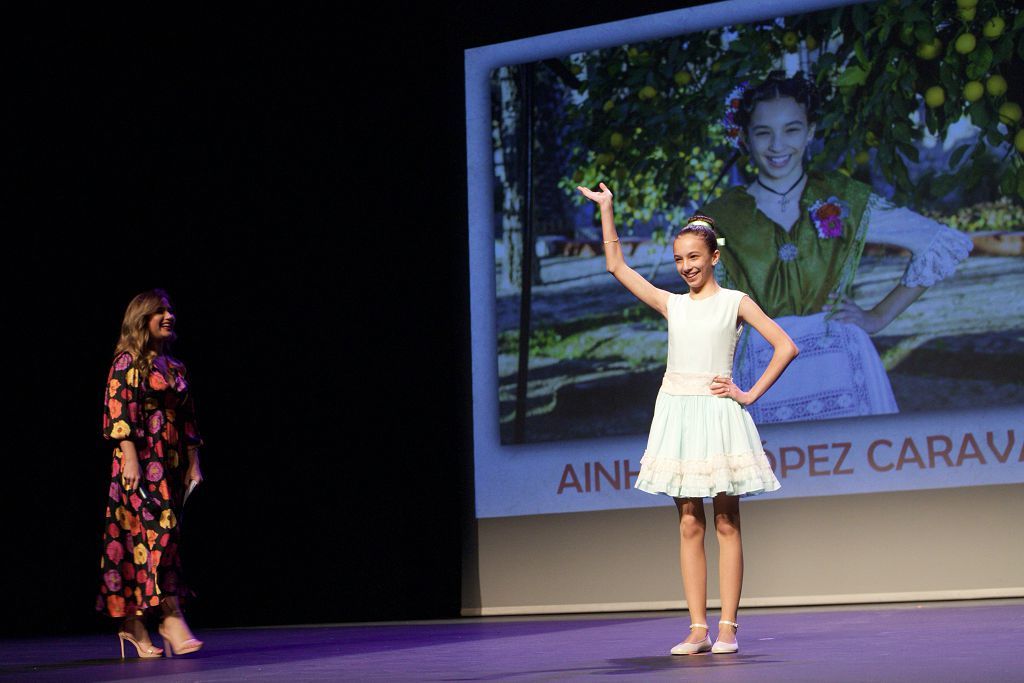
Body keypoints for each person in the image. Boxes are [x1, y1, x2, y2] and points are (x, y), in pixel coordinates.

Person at [578, 183, 798, 655]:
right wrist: (608, 209)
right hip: (677, 412)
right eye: (679, 259)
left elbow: (786, 346)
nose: (686, 267)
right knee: (688, 522)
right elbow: (617, 266)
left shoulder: (735, 302)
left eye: (694, 257)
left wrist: (749, 393)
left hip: (718, 413)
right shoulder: (672, 303)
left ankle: (728, 628)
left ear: (714, 256)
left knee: (726, 521)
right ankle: (697, 628)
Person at [703, 72, 973, 424]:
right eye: (763, 132)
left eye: (792, 129)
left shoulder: (842, 197)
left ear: (811, 131)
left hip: (843, 363)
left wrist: (877, 318)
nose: (777, 145)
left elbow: (938, 242)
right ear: (745, 137)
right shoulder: (720, 217)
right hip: (761, 369)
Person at [96, 289, 205, 658]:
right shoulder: (128, 361)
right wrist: (129, 458)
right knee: (154, 536)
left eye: (170, 309)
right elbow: (118, 409)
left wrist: (194, 462)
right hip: (140, 461)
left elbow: (188, 419)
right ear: (141, 317)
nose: (169, 315)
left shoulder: (174, 367)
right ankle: (169, 616)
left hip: (170, 462)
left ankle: (134, 624)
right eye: (159, 310)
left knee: (152, 540)